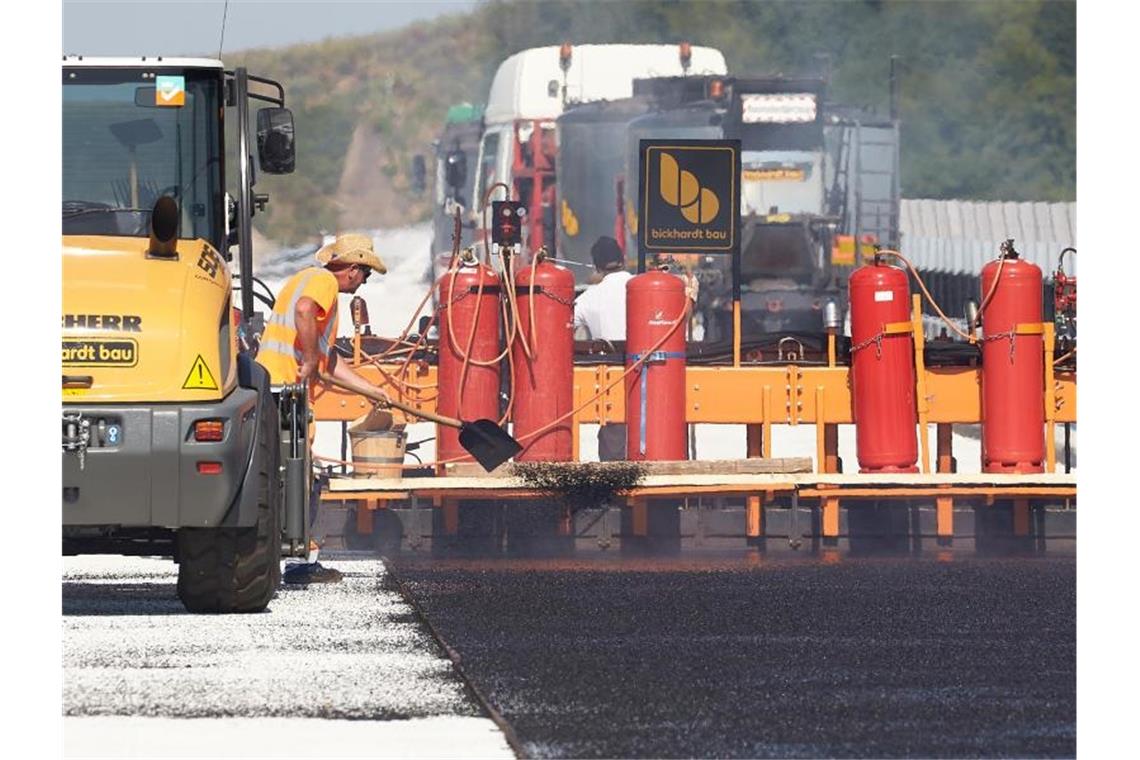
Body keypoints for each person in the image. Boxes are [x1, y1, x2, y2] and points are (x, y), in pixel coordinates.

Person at [257, 232, 388, 583]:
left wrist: (371, 389)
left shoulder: (305, 280)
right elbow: (304, 316)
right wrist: (311, 359)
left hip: (275, 386)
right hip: (288, 389)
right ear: (353, 268)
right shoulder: (322, 282)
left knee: (289, 475)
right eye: (366, 274)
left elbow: (330, 363)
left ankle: (287, 559)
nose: (363, 283)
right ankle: (299, 566)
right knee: (298, 477)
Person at [573, 236, 633, 461]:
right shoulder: (642, 287)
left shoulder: (589, 298)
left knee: (613, 447)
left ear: (596, 266)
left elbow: (561, 327)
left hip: (610, 381)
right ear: (623, 259)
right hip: (648, 377)